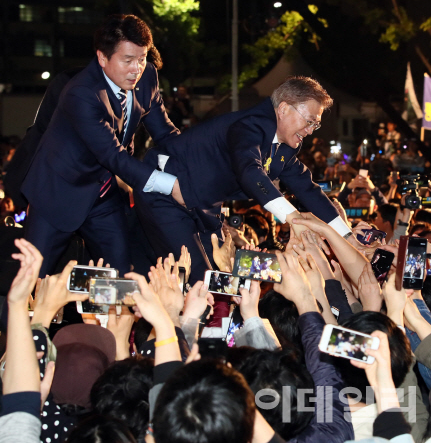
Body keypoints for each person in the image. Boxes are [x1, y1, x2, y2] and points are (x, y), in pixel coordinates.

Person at [134, 76, 352, 284]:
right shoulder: (251, 125)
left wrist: (349, 239)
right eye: (309, 121)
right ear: (284, 108)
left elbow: (307, 188)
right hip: (167, 195)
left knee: (229, 268)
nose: (311, 131)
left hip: (204, 205)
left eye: (316, 125)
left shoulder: (284, 145)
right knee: (203, 279)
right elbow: (250, 171)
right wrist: (293, 218)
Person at [21, 14, 181, 276]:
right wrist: (170, 185)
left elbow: (165, 132)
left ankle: (113, 318)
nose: (136, 68)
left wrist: (194, 163)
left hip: (104, 194)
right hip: (58, 192)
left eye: (141, 58)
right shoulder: (81, 92)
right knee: (31, 278)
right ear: (102, 58)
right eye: (128, 60)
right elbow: (113, 155)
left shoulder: (148, 76)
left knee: (118, 275)